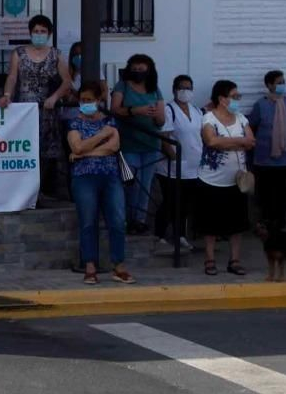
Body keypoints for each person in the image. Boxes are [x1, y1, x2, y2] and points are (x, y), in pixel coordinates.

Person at [0, 15, 73, 201]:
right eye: (36, 31)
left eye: (43, 31)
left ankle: (43, 191)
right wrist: (7, 95)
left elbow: (67, 82)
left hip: (47, 111)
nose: (39, 34)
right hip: (24, 111)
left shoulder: (56, 55)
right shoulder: (19, 53)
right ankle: (24, 192)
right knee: (25, 150)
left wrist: (54, 97)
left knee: (46, 153)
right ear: (30, 33)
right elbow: (12, 77)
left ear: (49, 34)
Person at [66, 82, 133, 285]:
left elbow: (114, 147)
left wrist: (83, 153)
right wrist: (101, 136)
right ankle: (90, 266)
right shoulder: (74, 123)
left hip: (110, 175)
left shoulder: (110, 122)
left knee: (118, 220)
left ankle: (118, 265)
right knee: (88, 222)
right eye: (82, 100)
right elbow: (77, 146)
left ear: (98, 101)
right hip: (84, 178)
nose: (85, 103)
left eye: (89, 100)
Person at [197, 80, 255, 277]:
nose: (238, 100)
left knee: (237, 223)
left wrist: (228, 143)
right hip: (212, 179)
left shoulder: (241, 118)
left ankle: (235, 260)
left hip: (237, 181)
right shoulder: (209, 119)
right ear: (222, 99)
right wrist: (238, 141)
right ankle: (210, 259)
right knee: (211, 223)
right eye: (234, 96)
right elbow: (211, 141)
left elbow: (251, 142)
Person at [109, 53, 165, 228]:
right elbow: (114, 109)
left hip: (151, 143)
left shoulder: (155, 89)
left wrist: (157, 116)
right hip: (129, 143)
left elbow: (162, 121)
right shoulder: (122, 86)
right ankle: (126, 218)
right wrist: (135, 110)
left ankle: (140, 220)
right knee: (132, 182)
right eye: (134, 69)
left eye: (142, 69)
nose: (138, 72)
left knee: (145, 184)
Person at [246, 69, 286, 230]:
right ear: (269, 85)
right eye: (279, 82)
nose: (282, 85)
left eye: (283, 82)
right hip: (265, 159)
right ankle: (266, 223)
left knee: (283, 194)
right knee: (266, 194)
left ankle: (279, 224)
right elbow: (251, 126)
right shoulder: (260, 105)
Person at [156, 74, 202, 253]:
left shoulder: (197, 111)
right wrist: (174, 158)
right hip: (173, 167)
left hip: (193, 166)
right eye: (182, 88)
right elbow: (165, 138)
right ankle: (160, 235)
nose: (185, 91)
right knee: (170, 201)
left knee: (185, 203)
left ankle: (180, 235)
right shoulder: (169, 110)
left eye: (189, 88)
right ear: (175, 90)